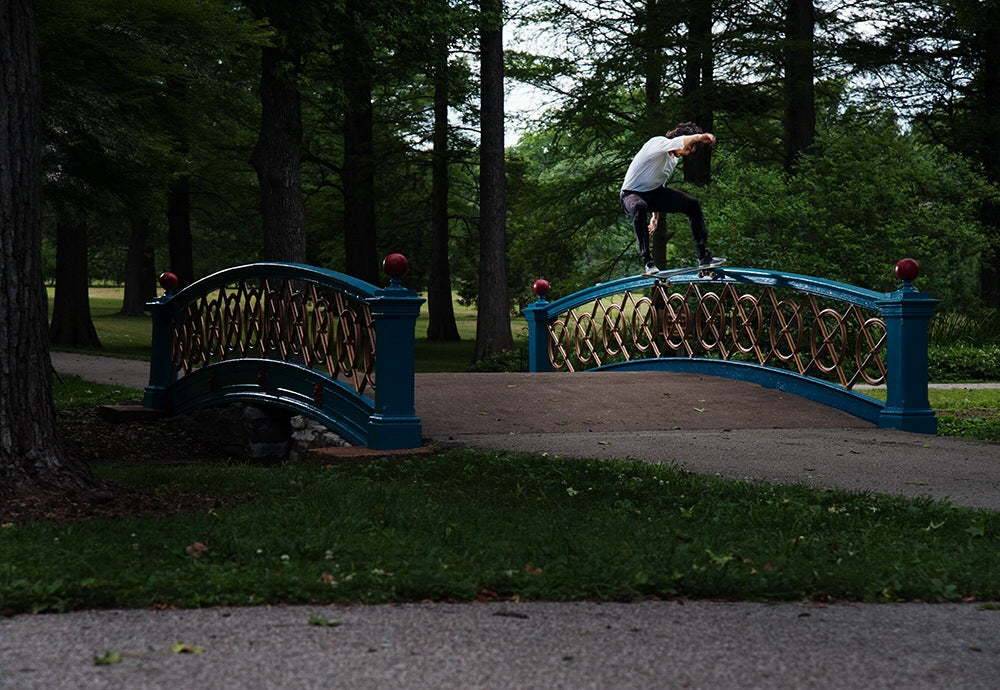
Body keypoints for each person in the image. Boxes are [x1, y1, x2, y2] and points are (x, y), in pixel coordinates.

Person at [620, 122, 724, 274]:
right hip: (630, 195)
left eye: (690, 151)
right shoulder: (657, 143)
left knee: (692, 204)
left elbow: (658, 184)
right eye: (687, 148)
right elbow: (675, 142)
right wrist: (700, 137)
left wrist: (655, 216)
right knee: (639, 207)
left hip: (653, 194)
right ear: (680, 138)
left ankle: (703, 257)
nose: (686, 153)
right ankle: (648, 262)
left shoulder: (673, 160)